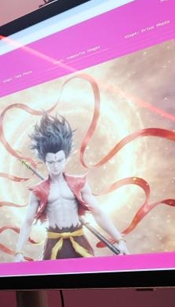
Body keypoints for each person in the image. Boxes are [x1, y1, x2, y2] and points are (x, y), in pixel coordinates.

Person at [13, 112, 127, 261]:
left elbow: (97, 212)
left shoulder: (79, 184)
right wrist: (18, 252)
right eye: (51, 162)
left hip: (78, 239)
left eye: (59, 160)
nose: (55, 166)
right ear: (44, 161)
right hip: (54, 242)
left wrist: (119, 240)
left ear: (65, 158)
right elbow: (28, 221)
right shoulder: (38, 191)